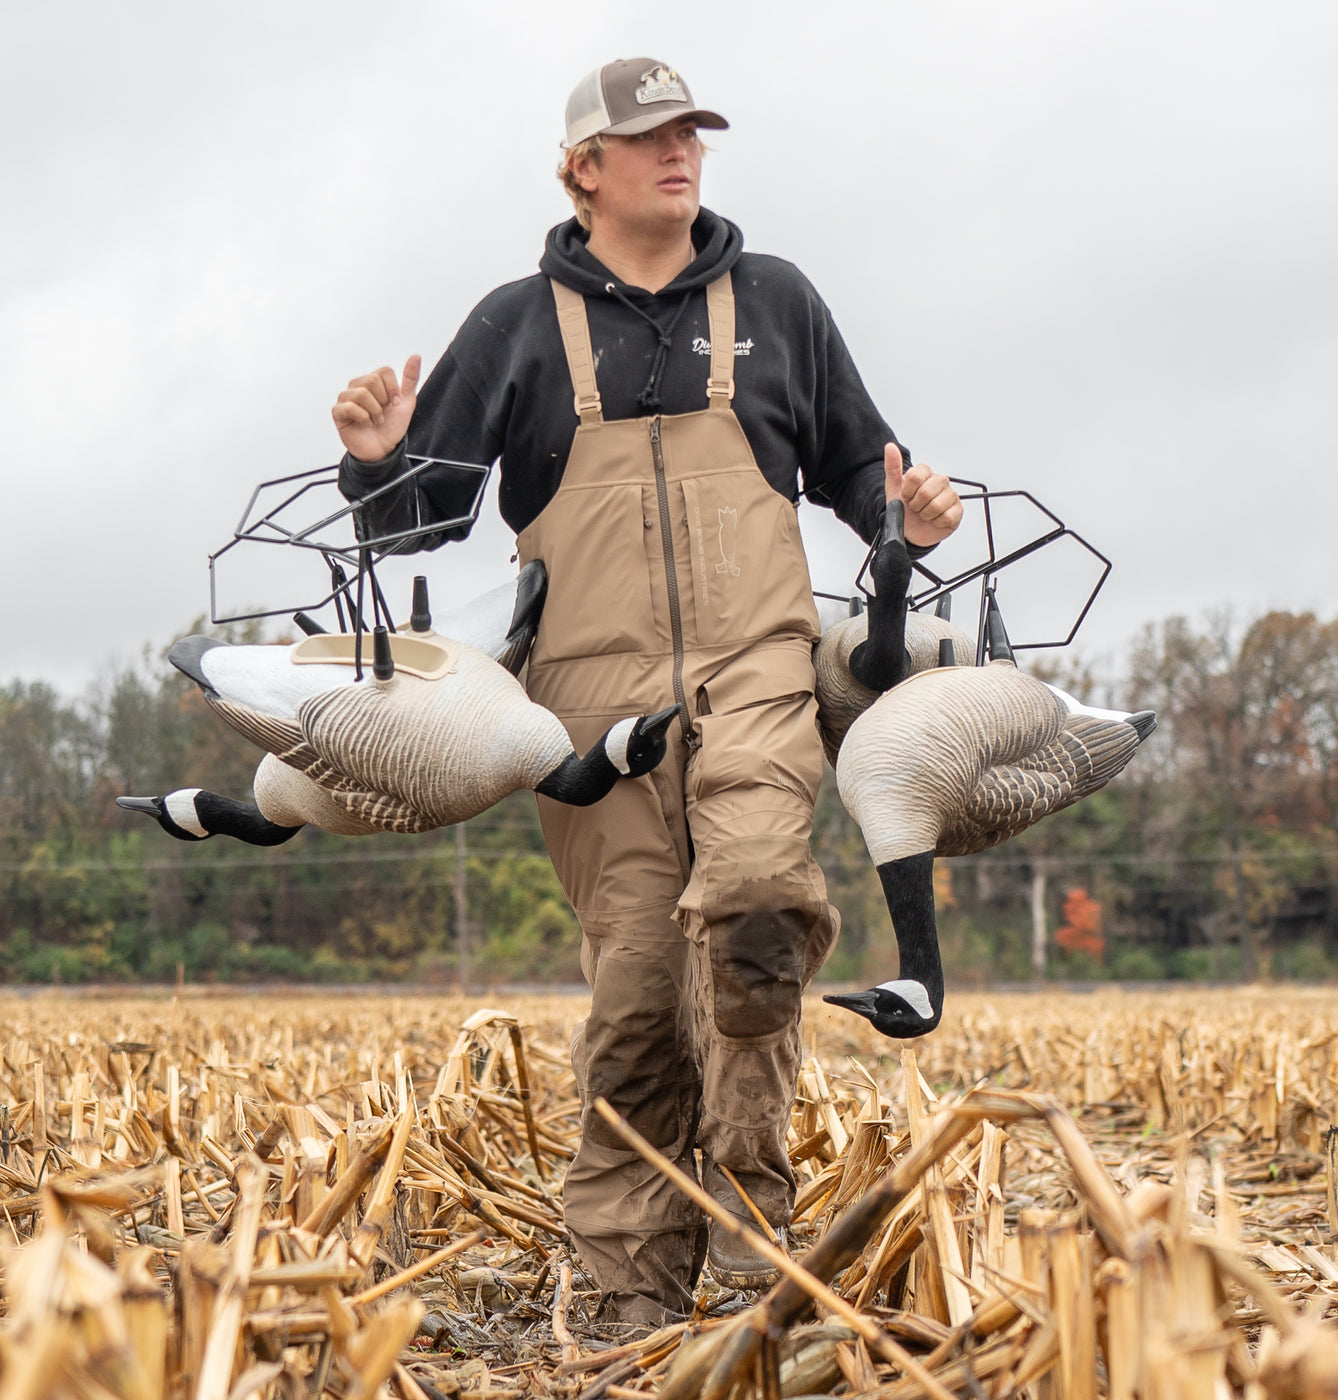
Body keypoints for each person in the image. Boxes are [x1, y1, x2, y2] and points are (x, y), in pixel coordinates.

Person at [332, 57, 963, 1327]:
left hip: (759, 679)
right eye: (649, 136)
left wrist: (910, 519)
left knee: (753, 911)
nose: (679, 150)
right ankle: (624, 1300)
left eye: (690, 132)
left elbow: (859, 472)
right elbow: (421, 518)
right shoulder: (515, 322)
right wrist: (375, 461)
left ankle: (748, 1255)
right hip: (580, 712)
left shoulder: (776, 301)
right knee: (632, 1000)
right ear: (583, 169)